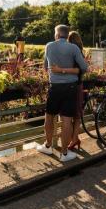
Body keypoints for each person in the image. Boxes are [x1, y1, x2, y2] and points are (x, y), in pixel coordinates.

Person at [37, 24, 88, 162]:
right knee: (66, 120)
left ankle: (47, 146)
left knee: (49, 117)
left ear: (57, 34)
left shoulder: (49, 46)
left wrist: (59, 70)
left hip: (55, 87)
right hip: (71, 88)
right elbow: (84, 67)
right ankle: (64, 154)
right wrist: (69, 69)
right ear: (67, 35)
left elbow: (45, 67)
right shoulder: (74, 48)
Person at [51, 31, 85, 150]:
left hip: (72, 86)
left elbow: (79, 70)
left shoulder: (72, 52)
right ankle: (73, 138)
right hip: (77, 85)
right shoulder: (78, 52)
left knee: (72, 115)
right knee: (74, 115)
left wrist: (60, 70)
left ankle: (74, 139)